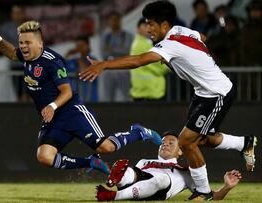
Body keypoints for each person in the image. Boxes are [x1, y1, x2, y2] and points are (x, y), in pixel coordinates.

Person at [79, 1, 256, 200]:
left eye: (151, 24)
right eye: (146, 24)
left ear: (164, 25)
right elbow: (202, 38)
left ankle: (204, 192)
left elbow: (138, 61)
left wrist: (104, 65)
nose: (147, 29)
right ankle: (244, 143)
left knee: (187, 142)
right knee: (201, 139)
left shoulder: (169, 45)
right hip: (202, 93)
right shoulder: (180, 30)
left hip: (217, 93)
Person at [0, 21, 162, 174]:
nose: (23, 47)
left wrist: (52, 106)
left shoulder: (53, 61)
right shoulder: (27, 57)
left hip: (70, 111)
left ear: (40, 43)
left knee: (105, 147)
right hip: (53, 117)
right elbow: (12, 53)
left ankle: (137, 132)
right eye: (21, 43)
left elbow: (66, 91)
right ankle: (90, 162)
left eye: (27, 43)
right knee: (44, 157)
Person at [96, 132, 242, 201]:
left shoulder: (187, 172)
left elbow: (211, 197)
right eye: (163, 142)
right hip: (136, 187)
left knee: (163, 179)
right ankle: (117, 179)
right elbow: (136, 175)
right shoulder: (144, 161)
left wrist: (226, 187)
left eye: (171, 142)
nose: (165, 144)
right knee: (128, 169)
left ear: (180, 150)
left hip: (159, 191)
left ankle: (114, 195)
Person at [129, 17, 169, 101]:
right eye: (145, 26)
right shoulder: (143, 45)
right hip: (150, 92)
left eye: (150, 25)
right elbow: (160, 68)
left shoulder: (141, 43)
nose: (148, 28)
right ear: (138, 29)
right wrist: (167, 64)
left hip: (143, 91)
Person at [100, 11, 133, 102]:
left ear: (120, 21)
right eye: (112, 20)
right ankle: (108, 116)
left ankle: (130, 116)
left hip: (124, 70)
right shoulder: (105, 37)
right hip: (109, 70)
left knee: (127, 96)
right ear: (109, 22)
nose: (114, 22)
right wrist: (119, 49)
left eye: (117, 20)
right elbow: (104, 54)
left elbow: (127, 51)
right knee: (108, 98)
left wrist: (112, 49)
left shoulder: (127, 35)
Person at [65, 35, 98, 102]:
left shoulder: (93, 60)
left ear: (88, 46)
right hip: (74, 101)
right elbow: (60, 72)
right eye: (78, 46)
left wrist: (79, 57)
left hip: (90, 101)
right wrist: (67, 55)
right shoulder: (71, 60)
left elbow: (85, 72)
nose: (79, 49)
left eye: (82, 46)